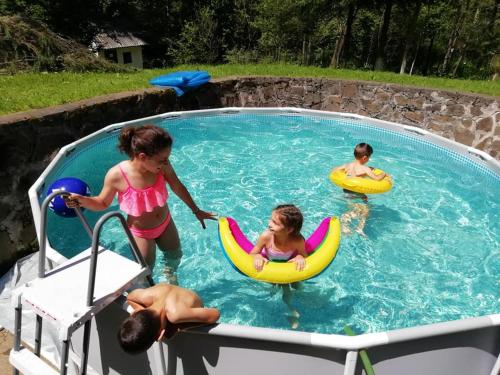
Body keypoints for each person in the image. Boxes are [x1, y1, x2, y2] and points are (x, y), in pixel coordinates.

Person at [65, 124, 216, 281]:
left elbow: (177, 187)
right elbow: (102, 203)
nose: (166, 163)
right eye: (162, 159)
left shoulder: (162, 167)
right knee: (145, 272)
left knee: (175, 256)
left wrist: (196, 211)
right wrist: (83, 200)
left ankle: (172, 282)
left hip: (166, 224)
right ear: (143, 157)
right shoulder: (117, 175)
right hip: (142, 234)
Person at [249, 204, 308, 329]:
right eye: (271, 219)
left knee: (296, 288)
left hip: (288, 268)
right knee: (273, 292)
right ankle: (282, 312)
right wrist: (258, 257)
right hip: (270, 267)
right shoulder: (266, 237)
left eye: (275, 222)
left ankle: (291, 311)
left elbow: (304, 255)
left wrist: (299, 257)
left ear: (289, 230)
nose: (269, 224)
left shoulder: (297, 240)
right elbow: (253, 253)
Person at [118, 283, 220, 354]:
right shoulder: (146, 296)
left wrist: (179, 326)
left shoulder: (175, 315)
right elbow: (130, 297)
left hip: (183, 303)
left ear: (160, 334)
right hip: (170, 292)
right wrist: (141, 310)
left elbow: (215, 314)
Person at [331, 143, 389, 236]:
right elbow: (377, 178)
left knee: (361, 209)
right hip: (357, 193)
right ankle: (347, 221)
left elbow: (335, 170)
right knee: (363, 210)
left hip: (347, 191)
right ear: (365, 158)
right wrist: (384, 174)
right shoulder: (365, 169)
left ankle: (358, 228)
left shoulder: (348, 165)